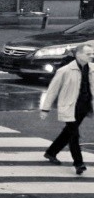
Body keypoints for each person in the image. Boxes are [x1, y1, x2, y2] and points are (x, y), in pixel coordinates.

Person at [39, 41, 92, 175]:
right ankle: (78, 163)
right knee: (74, 134)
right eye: (88, 54)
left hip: (84, 106)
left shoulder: (92, 69)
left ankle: (51, 152)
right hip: (69, 107)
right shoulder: (65, 70)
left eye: (92, 54)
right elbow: (53, 90)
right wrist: (45, 109)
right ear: (78, 55)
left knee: (68, 132)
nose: (91, 56)